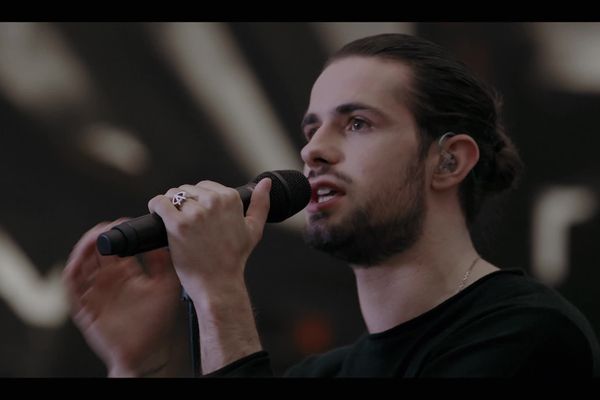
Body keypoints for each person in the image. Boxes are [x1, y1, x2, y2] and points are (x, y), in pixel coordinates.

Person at [63, 33, 600, 377]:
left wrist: (220, 292)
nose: (312, 150)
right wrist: (142, 366)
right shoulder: (321, 375)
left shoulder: (527, 333)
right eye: (312, 127)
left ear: (448, 162)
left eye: (357, 123)